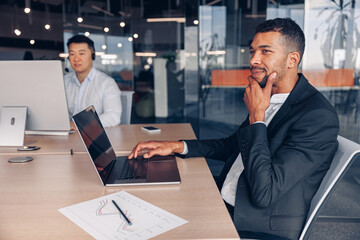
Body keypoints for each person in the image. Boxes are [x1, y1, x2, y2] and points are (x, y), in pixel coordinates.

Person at [129, 18, 339, 240]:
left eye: (265, 51)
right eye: (252, 51)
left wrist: (257, 117)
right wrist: (177, 146)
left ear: (292, 59)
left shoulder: (316, 116)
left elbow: (264, 193)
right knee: (146, 199)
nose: (253, 60)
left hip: (254, 223)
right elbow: (234, 145)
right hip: (225, 196)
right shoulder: (268, 95)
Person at [64, 35, 122, 128]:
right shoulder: (64, 82)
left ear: (93, 55)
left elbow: (113, 116)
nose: (76, 59)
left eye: (81, 54)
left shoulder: (107, 83)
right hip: (67, 137)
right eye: (72, 54)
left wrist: (80, 124)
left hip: (95, 137)